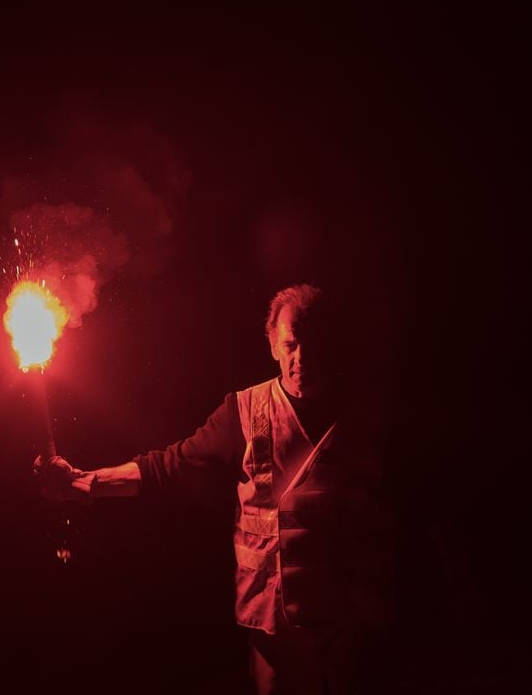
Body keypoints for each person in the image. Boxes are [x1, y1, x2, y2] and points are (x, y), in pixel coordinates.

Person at [35, 284, 403, 694]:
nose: (302, 358)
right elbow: (171, 466)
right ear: (273, 346)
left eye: (313, 345)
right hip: (273, 626)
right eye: (292, 345)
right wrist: (86, 484)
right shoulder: (244, 412)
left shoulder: (371, 418)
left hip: (352, 622)